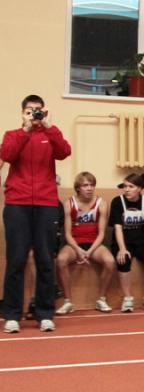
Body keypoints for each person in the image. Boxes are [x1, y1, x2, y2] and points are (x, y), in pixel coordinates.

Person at [1, 95, 71, 333]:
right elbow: (7, 155)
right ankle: (11, 314)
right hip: (17, 203)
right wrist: (25, 128)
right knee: (16, 260)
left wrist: (50, 127)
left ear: (44, 111)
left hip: (46, 203)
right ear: (23, 112)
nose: (35, 114)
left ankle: (44, 313)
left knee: (44, 259)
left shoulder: (49, 135)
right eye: (30, 111)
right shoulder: (13, 134)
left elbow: (64, 151)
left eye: (38, 111)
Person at [55, 172, 115, 314]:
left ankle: (101, 299)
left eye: (92, 185)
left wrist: (89, 251)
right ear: (78, 188)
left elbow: (101, 233)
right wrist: (78, 250)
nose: (89, 188)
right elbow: (68, 234)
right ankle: (68, 301)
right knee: (61, 260)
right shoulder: (69, 204)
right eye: (85, 185)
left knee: (110, 261)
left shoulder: (101, 203)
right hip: (74, 243)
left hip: (94, 243)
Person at [110, 173, 144, 312]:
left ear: (139, 188)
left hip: (142, 240)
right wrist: (122, 248)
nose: (127, 189)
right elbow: (118, 228)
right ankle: (128, 298)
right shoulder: (117, 201)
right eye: (125, 186)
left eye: (131, 186)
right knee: (123, 259)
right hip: (124, 241)